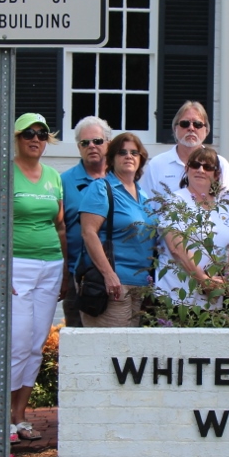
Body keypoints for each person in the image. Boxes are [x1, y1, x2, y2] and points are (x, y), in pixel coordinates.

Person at [0, 113, 65, 445]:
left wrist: (65, 272)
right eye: (28, 133)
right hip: (16, 265)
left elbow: (59, 225)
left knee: (35, 345)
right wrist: (0, 270)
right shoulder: (0, 172)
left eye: (42, 134)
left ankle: (20, 416)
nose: (35, 139)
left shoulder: (53, 177)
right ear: (16, 138)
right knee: (15, 343)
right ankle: (1, 418)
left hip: (51, 266)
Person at [78, 133, 159, 327]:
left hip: (141, 287)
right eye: (122, 152)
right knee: (113, 344)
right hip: (113, 286)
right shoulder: (101, 189)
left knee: (130, 346)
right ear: (112, 158)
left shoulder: (144, 195)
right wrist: (109, 274)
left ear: (141, 159)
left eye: (134, 152)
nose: (128, 156)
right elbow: (88, 233)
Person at [153, 145, 229, 307]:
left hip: (213, 301)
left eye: (207, 167)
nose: (200, 170)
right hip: (177, 298)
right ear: (187, 169)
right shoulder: (175, 201)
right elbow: (177, 247)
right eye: (195, 165)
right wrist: (203, 280)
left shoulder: (223, 207)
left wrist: (225, 280)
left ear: (216, 174)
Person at [60, 116, 111, 327]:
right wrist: (64, 274)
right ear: (78, 147)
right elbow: (58, 228)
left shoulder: (120, 179)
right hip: (78, 278)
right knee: (77, 339)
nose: (91, 146)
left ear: (108, 143)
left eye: (97, 141)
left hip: (117, 277)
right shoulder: (64, 181)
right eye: (85, 142)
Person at [140, 100, 229, 199]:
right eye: (185, 123)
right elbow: (147, 204)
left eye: (197, 124)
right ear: (175, 128)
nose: (191, 128)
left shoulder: (220, 164)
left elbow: (228, 204)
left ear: (206, 130)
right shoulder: (156, 165)